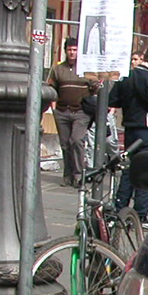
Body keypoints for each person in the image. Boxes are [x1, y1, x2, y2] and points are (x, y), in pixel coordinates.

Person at [109, 42, 148, 226]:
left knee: (128, 169)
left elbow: (113, 99)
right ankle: (141, 213)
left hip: (130, 128)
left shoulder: (126, 77)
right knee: (147, 171)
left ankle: (120, 207)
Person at [47, 37, 97, 186]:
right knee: (65, 144)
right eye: (69, 50)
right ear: (65, 51)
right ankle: (67, 175)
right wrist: (54, 108)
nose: (72, 53)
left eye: (75, 50)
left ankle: (78, 174)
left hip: (81, 112)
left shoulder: (86, 70)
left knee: (76, 140)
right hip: (62, 111)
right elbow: (51, 88)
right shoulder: (58, 69)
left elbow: (96, 88)